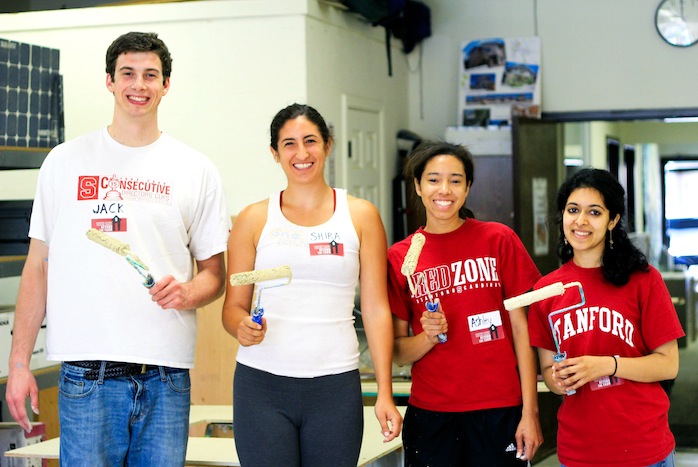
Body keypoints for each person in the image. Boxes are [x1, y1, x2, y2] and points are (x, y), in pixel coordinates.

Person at [5, 31, 230, 466]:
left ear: (166, 85)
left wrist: (187, 292)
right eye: (128, 73)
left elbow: (214, 275)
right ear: (109, 81)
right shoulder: (65, 162)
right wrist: (18, 365)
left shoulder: (196, 170)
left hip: (166, 378)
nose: (139, 85)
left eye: (151, 75)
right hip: (88, 376)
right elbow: (38, 268)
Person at [222, 103, 402, 466]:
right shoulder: (253, 218)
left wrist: (385, 390)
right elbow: (232, 308)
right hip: (262, 386)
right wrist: (240, 327)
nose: (301, 153)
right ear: (275, 153)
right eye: (289, 144)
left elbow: (376, 308)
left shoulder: (360, 215)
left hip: (335, 386)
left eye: (310, 141)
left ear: (328, 145)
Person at [387, 140, 544, 466]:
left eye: (455, 180)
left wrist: (530, 412)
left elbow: (521, 331)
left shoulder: (498, 240)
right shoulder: (401, 257)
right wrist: (427, 337)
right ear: (417, 186)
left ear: (468, 187)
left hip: (499, 409)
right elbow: (399, 354)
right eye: (433, 179)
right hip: (432, 415)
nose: (444, 189)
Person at [527, 168, 683, 467]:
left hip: (643, 448)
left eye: (594, 212)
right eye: (573, 210)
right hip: (579, 451)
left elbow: (669, 364)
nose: (581, 221)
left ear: (612, 221)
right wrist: (558, 379)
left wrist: (604, 365)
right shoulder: (546, 290)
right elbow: (547, 370)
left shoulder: (643, 280)